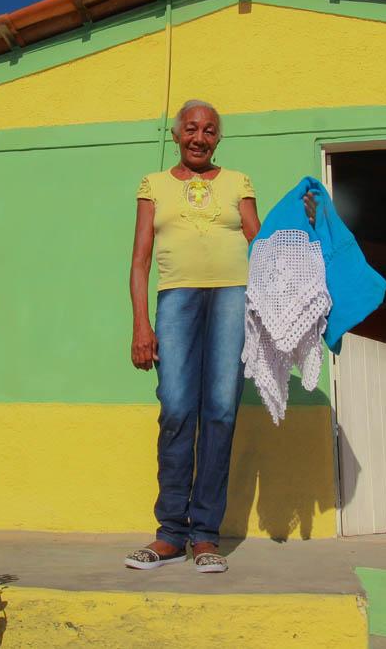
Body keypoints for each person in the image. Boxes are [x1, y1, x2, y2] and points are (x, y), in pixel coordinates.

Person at [124, 99, 313, 574]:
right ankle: (170, 533)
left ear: (218, 138)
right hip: (176, 300)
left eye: (209, 130)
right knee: (177, 408)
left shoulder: (237, 182)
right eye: (191, 128)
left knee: (221, 412)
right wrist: (141, 324)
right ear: (176, 135)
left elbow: (261, 240)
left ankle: (205, 535)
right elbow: (140, 261)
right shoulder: (153, 185)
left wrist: (303, 221)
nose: (199, 138)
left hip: (233, 299)